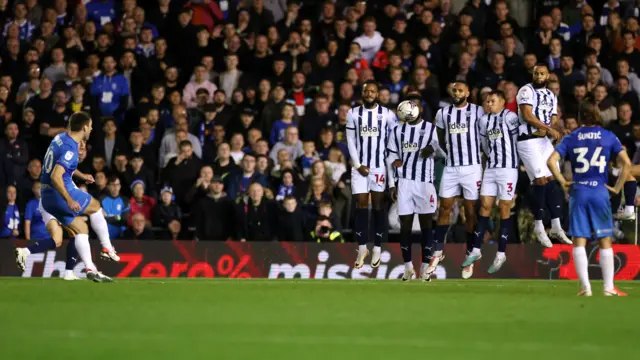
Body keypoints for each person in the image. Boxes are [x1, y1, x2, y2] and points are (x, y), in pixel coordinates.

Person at [14, 112, 118, 283]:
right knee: (96, 206)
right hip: (59, 195)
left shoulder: (60, 138)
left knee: (81, 229)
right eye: (90, 126)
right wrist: (69, 199)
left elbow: (62, 165)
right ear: (84, 127)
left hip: (46, 197)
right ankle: (107, 248)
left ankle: (90, 268)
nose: (91, 129)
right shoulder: (71, 148)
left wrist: (82, 175)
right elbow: (56, 176)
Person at [547, 101, 631, 296]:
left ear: (580, 117)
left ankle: (586, 288)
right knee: (605, 239)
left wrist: (562, 181)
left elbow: (551, 161)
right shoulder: (609, 136)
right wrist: (617, 188)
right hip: (600, 192)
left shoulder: (571, 138)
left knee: (579, 240)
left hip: (579, 192)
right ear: (597, 115)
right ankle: (608, 288)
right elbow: (626, 164)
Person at [461, 91, 519, 276]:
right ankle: (476, 250)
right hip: (492, 169)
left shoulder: (511, 117)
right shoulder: (484, 121)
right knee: (484, 206)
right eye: (487, 101)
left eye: (493, 101)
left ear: (502, 102)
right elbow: (485, 146)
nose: (488, 104)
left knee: (504, 208)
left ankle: (501, 253)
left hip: (508, 169)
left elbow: (517, 141)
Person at [432, 81, 484, 279]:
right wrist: (445, 154)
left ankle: (470, 254)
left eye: (461, 90)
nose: (457, 93)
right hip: (451, 167)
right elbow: (438, 138)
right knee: (444, 207)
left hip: (472, 168)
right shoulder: (443, 114)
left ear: (468, 92)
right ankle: (437, 252)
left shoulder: (479, 112)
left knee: (470, 211)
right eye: (454, 90)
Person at [516, 63, 571, 247]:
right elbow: (527, 115)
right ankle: (539, 226)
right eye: (536, 73)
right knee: (540, 180)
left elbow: (554, 119)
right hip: (527, 140)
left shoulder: (551, 95)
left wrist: (560, 130)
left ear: (548, 76)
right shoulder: (526, 90)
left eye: (542, 73)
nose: (539, 76)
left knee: (553, 179)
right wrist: (548, 129)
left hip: (544, 141)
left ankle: (555, 225)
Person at [346, 80, 397, 269]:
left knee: (377, 206)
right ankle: (361, 248)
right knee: (360, 203)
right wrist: (358, 164)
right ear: (362, 93)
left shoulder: (387, 115)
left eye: (373, 91)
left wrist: (392, 178)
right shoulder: (353, 113)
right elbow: (350, 141)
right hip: (360, 168)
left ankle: (377, 246)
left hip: (379, 168)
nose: (369, 94)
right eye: (366, 91)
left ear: (377, 94)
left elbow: (393, 142)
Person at [387, 96, 439, 281]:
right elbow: (391, 155)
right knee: (405, 227)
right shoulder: (397, 131)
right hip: (405, 183)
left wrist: (432, 149)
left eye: (414, 105)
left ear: (420, 109)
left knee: (426, 226)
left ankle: (425, 266)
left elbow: (440, 149)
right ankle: (408, 266)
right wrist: (393, 181)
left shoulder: (431, 129)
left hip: (425, 182)